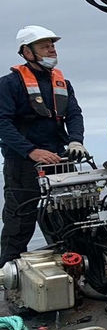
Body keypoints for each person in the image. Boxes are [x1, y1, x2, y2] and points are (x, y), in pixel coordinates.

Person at [0, 26, 88, 266]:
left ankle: (77, 267)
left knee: (73, 217)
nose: (52, 50)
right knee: (19, 221)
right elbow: (2, 123)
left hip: (60, 159)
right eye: (44, 46)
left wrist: (76, 140)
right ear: (27, 52)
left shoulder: (63, 83)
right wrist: (31, 151)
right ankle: (9, 272)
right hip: (23, 163)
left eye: (52, 45)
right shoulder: (9, 84)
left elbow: (74, 114)